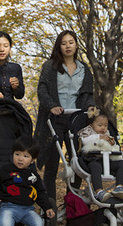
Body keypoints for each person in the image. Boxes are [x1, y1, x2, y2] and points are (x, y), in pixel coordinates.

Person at [34, 29, 96, 207]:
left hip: (76, 119)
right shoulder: (50, 66)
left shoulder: (84, 69)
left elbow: (87, 94)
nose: (68, 46)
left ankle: (71, 202)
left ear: (76, 44)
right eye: (63, 43)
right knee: (51, 165)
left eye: (71, 42)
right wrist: (51, 105)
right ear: (58, 46)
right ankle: (50, 206)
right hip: (55, 119)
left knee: (78, 163)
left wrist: (90, 106)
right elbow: (42, 90)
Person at [77, 108, 123, 202]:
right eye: (100, 125)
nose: (103, 128)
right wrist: (99, 137)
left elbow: (111, 146)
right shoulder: (87, 131)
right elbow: (84, 140)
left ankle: (119, 187)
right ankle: (99, 191)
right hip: (92, 159)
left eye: (105, 125)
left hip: (107, 161)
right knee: (95, 167)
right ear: (91, 124)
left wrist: (112, 143)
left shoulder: (107, 133)